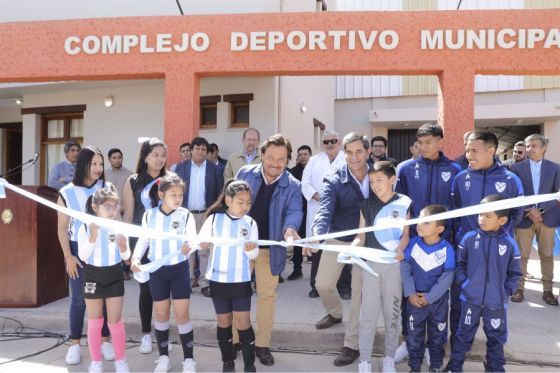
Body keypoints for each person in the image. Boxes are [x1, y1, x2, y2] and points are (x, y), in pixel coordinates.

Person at [449, 129, 524, 342]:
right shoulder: (460, 178)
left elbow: (516, 215)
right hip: (467, 255)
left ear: (491, 150)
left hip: (497, 255)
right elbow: (456, 213)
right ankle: (458, 352)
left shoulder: (510, 180)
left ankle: (494, 358)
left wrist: (497, 240)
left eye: (474, 150)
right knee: (460, 305)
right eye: (466, 150)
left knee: (495, 310)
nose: (468, 155)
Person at [236, 133, 303, 366]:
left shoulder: (293, 185)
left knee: (267, 298)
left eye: (282, 159)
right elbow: (231, 203)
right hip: (242, 247)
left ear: (288, 160)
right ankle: (236, 340)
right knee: (238, 294)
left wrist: (290, 230)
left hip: (269, 249)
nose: (276, 163)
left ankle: (262, 345)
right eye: (271, 157)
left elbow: (295, 211)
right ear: (261, 155)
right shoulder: (245, 174)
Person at [304, 132, 370, 367]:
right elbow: (324, 209)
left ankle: (351, 345)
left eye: (359, 151)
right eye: (349, 152)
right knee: (322, 284)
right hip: (339, 237)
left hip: (367, 243)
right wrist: (317, 233)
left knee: (357, 293)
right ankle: (334, 313)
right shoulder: (334, 178)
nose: (354, 157)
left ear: (367, 152)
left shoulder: (378, 174)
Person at [446, 195, 522, 372]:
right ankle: (455, 366)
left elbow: (515, 273)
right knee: (463, 335)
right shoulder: (469, 239)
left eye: (488, 216)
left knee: (496, 337)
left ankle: (495, 367)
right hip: (471, 300)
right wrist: (465, 284)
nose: (482, 219)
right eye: (480, 214)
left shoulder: (510, 244)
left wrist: (507, 290)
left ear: (502, 220)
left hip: (496, 303)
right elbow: (460, 265)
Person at [131, 174, 198, 373]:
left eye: (181, 194)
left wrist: (190, 246)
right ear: (161, 194)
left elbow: (193, 239)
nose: (178, 198)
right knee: (160, 314)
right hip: (157, 272)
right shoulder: (149, 215)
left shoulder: (185, 214)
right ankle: (163, 358)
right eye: (173, 194)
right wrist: (135, 258)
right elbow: (144, 240)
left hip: (179, 271)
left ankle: (189, 360)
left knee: (182, 315)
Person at [350, 161, 411, 373]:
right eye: (372, 181)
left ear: (392, 179)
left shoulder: (404, 203)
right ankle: (365, 360)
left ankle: (389, 359)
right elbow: (360, 236)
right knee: (367, 313)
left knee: (392, 313)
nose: (375, 185)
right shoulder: (366, 205)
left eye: (380, 180)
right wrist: (352, 248)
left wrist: (401, 249)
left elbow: (405, 235)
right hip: (371, 266)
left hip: (393, 266)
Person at [56, 146, 114, 365]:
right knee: (79, 299)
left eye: (101, 164)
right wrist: (68, 257)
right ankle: (74, 344)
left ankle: (105, 340)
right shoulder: (67, 192)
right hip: (77, 250)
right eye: (94, 164)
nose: (99, 168)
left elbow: (114, 220)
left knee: (106, 298)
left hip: (104, 249)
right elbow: (62, 228)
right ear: (83, 165)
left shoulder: (107, 187)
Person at [198, 180, 259, 372]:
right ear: (228, 200)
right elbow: (201, 242)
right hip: (218, 280)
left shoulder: (250, 223)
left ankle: (249, 366)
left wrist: (250, 251)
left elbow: (254, 254)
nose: (245, 207)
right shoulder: (214, 220)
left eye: (248, 202)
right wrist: (203, 243)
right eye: (241, 202)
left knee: (244, 323)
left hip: (240, 281)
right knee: (224, 322)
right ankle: (227, 361)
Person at [122, 138, 168, 354]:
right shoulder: (133, 181)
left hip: (165, 244)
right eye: (155, 154)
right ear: (145, 156)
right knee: (146, 290)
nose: (159, 159)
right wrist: (126, 248)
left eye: (163, 155)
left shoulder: (171, 180)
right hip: (141, 243)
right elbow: (129, 216)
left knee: (163, 290)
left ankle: (162, 334)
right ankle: (146, 334)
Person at [78, 185, 130, 373]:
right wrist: (92, 237)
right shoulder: (85, 225)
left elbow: (126, 257)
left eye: (115, 207)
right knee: (94, 321)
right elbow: (83, 256)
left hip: (114, 275)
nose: (112, 211)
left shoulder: (119, 226)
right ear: (95, 207)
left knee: (115, 322)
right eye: (107, 207)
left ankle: (120, 360)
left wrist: (124, 247)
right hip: (92, 276)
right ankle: (96, 361)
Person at [400, 205, 455, 373]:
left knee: (438, 335)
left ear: (440, 228)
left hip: (437, 302)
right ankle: (415, 366)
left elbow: (447, 277)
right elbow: (405, 269)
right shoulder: (413, 244)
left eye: (426, 223)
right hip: (414, 300)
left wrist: (430, 297)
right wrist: (410, 293)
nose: (419, 225)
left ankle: (435, 365)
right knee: (414, 336)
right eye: (419, 221)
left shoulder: (447, 249)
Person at [511, 134, 560, 305]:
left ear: (543, 148)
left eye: (533, 146)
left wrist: (539, 210)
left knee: (546, 255)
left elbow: (558, 194)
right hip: (524, 219)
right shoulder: (516, 168)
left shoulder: (555, 168)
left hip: (548, 218)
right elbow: (515, 193)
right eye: (527, 146)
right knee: (522, 255)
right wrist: (529, 210)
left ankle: (548, 291)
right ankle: (519, 289)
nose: (529, 149)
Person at [175, 136, 224, 297]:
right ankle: (186, 282)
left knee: (204, 249)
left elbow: (219, 193)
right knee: (187, 248)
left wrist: (213, 212)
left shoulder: (215, 169)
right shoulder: (180, 169)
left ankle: (204, 282)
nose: (200, 152)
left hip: (205, 214)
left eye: (204, 149)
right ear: (192, 150)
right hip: (185, 214)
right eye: (197, 148)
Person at [301, 131, 346, 298]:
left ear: (339, 141)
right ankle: (315, 286)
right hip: (317, 208)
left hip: (340, 209)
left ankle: (343, 286)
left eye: (333, 140)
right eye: (326, 141)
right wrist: (318, 196)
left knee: (340, 248)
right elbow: (305, 183)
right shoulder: (314, 160)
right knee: (317, 249)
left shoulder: (346, 158)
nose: (330, 144)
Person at [287, 145, 312, 281]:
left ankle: (317, 272)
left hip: (313, 210)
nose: (302, 156)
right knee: (298, 241)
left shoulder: (315, 170)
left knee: (314, 239)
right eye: (300, 154)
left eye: (305, 154)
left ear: (310, 155)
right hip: (298, 210)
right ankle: (297, 269)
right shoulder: (293, 172)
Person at [104, 148, 133, 215]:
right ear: (109, 159)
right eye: (114, 158)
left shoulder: (130, 174)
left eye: (119, 157)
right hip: (108, 212)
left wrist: (124, 207)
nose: (117, 160)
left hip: (126, 211)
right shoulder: (104, 174)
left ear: (122, 158)